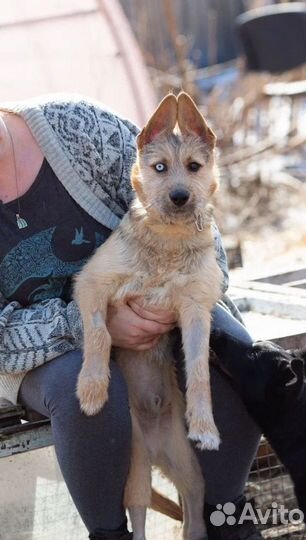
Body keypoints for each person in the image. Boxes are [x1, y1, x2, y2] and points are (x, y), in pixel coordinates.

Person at [0, 95, 262, 540]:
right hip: (36, 348)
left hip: (158, 295)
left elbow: (203, 231)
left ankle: (225, 522)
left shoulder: (80, 131)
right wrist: (94, 324)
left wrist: (154, 302)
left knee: (234, 352)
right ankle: (110, 533)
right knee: (81, 387)